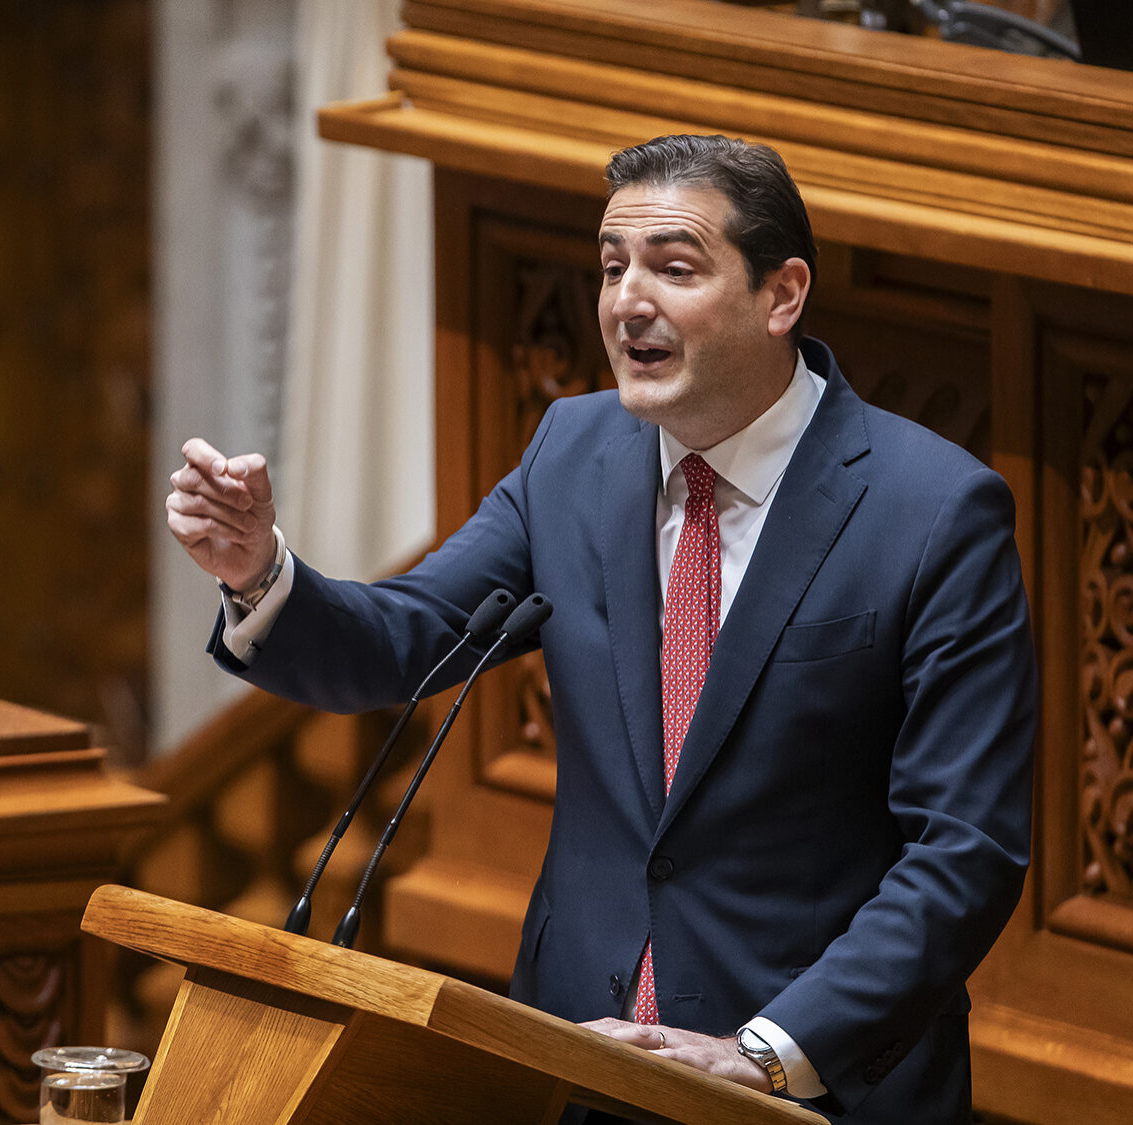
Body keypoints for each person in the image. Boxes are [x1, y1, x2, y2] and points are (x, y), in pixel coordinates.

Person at [164, 134, 1035, 1124]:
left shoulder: (932, 512)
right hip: (571, 1061)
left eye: (671, 267)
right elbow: (405, 637)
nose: (626, 301)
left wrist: (767, 1053)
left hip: (809, 1087)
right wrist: (257, 572)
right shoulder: (571, 454)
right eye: (611, 266)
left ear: (780, 294)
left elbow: (963, 850)